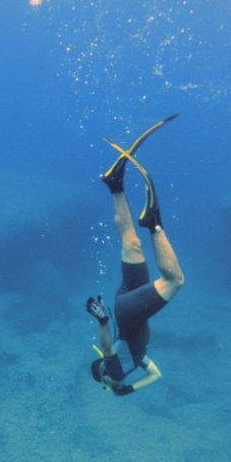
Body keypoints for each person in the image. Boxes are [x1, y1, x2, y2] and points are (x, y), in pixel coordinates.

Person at [86, 115, 185, 396]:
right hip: (125, 301)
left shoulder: (116, 370)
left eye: (107, 382)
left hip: (127, 314)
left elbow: (106, 348)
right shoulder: (135, 364)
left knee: (175, 280)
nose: (111, 383)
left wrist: (103, 322)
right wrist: (130, 388)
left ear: (106, 379)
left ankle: (154, 223)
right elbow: (156, 374)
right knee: (131, 243)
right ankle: (115, 183)